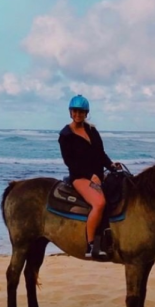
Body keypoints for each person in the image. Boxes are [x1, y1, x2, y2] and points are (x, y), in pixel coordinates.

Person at [58, 94, 121, 260]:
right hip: (79, 177)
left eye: (81, 111)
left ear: (86, 113)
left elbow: (100, 154)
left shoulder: (92, 131)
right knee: (99, 203)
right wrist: (90, 175)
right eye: (75, 111)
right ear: (70, 112)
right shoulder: (66, 135)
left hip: (97, 175)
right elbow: (70, 162)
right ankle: (91, 244)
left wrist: (111, 166)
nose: (78, 114)